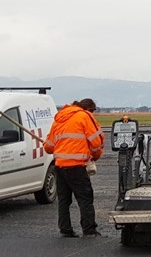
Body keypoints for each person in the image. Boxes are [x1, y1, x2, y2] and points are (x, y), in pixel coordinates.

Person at [44, 98, 105, 238]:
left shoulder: (60, 118)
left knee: (64, 200)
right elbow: (96, 142)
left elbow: (48, 147)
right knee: (85, 198)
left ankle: (65, 229)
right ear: (89, 109)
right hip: (77, 166)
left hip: (59, 166)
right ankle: (89, 230)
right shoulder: (84, 116)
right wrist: (95, 157)